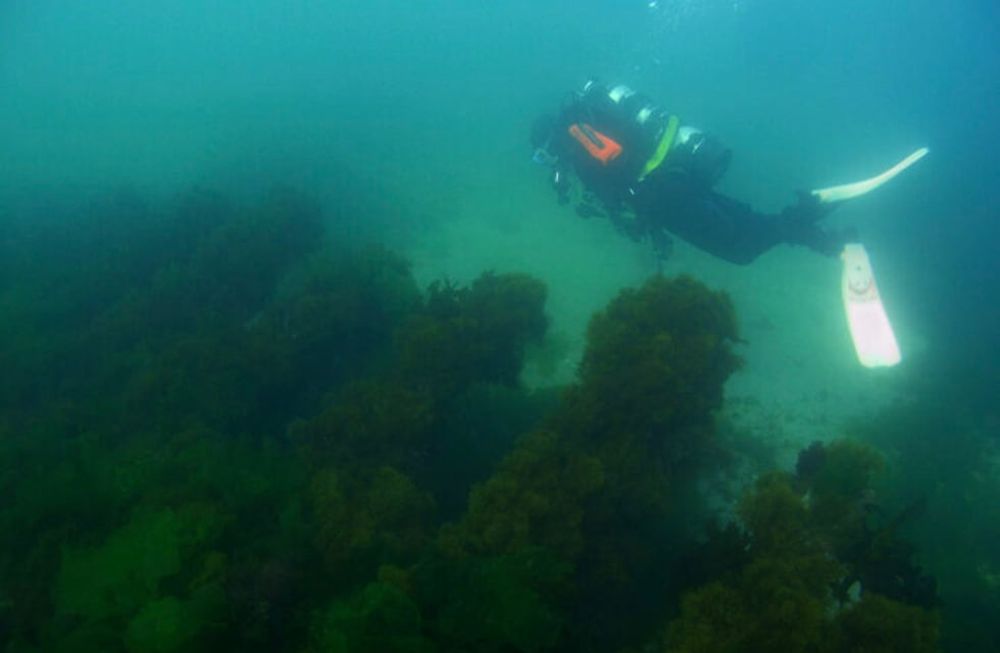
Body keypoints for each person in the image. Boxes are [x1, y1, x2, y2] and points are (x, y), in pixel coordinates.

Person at [530, 79, 853, 265]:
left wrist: (627, 211)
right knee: (744, 222)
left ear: (549, 143)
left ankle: (803, 225)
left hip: (663, 194)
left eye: (542, 158)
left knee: (739, 251)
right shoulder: (584, 125)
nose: (548, 164)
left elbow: (617, 165)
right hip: (675, 177)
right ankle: (810, 221)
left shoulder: (575, 135)